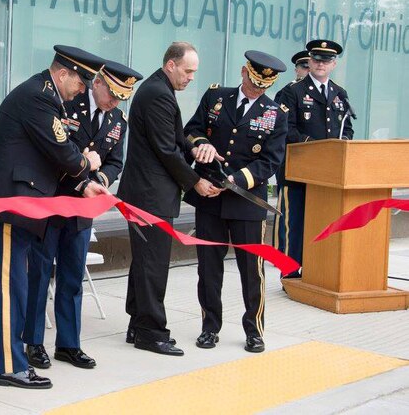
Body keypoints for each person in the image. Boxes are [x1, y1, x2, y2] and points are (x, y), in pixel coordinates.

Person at [0, 45, 110, 389]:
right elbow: (62, 151)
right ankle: (8, 366)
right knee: (10, 286)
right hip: (11, 202)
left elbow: (47, 155)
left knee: (9, 285)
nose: (83, 90)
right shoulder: (39, 97)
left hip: (21, 202)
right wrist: (88, 165)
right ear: (63, 73)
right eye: (81, 83)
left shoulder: (45, 95)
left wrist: (83, 187)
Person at [23, 60, 143, 371]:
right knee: (39, 274)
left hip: (83, 210)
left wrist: (101, 180)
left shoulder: (118, 119)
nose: (115, 102)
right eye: (112, 93)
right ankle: (33, 341)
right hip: (53, 201)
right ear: (98, 83)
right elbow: (54, 153)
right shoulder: (66, 102)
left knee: (72, 277)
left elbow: (115, 161)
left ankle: (68, 343)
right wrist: (84, 180)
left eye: (122, 97)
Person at [117, 42, 221, 357]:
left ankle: (138, 324)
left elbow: (174, 139)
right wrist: (196, 183)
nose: (191, 77)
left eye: (194, 72)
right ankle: (151, 331)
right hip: (150, 194)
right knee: (153, 264)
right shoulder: (158, 94)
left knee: (145, 262)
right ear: (171, 65)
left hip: (146, 191)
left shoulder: (158, 89)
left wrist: (195, 147)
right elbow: (165, 150)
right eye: (188, 71)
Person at [184, 50, 288, 354]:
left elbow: (271, 161)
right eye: (255, 81)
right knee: (209, 268)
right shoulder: (217, 97)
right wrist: (200, 145)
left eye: (264, 86)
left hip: (247, 202)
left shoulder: (276, 114)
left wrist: (236, 180)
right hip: (209, 197)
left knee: (251, 271)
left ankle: (254, 330)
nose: (258, 89)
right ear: (244, 72)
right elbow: (192, 130)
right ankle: (209, 327)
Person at [275, 39, 353, 278]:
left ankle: (317, 267)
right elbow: (285, 128)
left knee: (322, 221)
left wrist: (341, 144)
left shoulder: (340, 93)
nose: (321, 64)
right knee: (294, 223)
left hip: (328, 175)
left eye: (326, 60)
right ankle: (289, 270)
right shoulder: (292, 92)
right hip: (298, 169)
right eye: (317, 59)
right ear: (309, 61)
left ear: (334, 64)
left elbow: (346, 128)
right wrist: (317, 146)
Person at [272, 50, 310, 257]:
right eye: (303, 66)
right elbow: (284, 128)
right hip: (291, 162)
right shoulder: (287, 93)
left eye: (309, 66)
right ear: (296, 69)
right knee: (287, 212)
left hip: (316, 166)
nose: (307, 69)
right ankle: (281, 251)